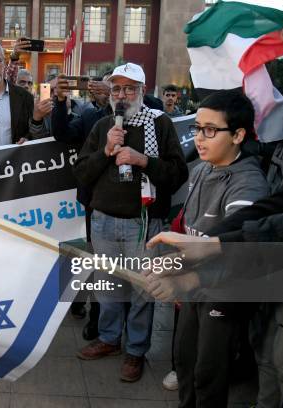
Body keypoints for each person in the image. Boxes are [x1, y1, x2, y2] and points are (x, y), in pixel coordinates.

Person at [145, 90, 269, 407]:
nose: (200, 138)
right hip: (194, 288)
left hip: (226, 292)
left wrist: (185, 280)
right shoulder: (201, 169)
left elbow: (242, 256)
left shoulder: (249, 184)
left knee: (209, 374)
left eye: (210, 130)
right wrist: (169, 265)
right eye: (197, 128)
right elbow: (187, 227)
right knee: (184, 362)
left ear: (239, 135)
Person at [73, 62, 188, 382]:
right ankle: (110, 339)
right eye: (116, 89)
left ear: (142, 90)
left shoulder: (160, 124)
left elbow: (178, 174)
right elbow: (81, 173)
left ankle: (136, 351)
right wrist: (106, 151)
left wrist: (143, 161)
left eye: (129, 88)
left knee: (141, 292)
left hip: (144, 223)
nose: (122, 95)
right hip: (104, 222)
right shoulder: (103, 126)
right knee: (108, 288)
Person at [51, 73, 113, 339]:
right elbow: (62, 132)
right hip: (94, 200)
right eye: (104, 84)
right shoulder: (89, 116)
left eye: (115, 85)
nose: (106, 89)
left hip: (125, 203)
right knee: (95, 259)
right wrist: (60, 100)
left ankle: (109, 320)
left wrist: (113, 98)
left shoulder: (140, 113)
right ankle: (95, 316)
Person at [0, 42, 49, 149]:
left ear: (5, 63)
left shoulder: (25, 97)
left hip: (15, 163)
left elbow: (33, 129)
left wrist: (27, 139)